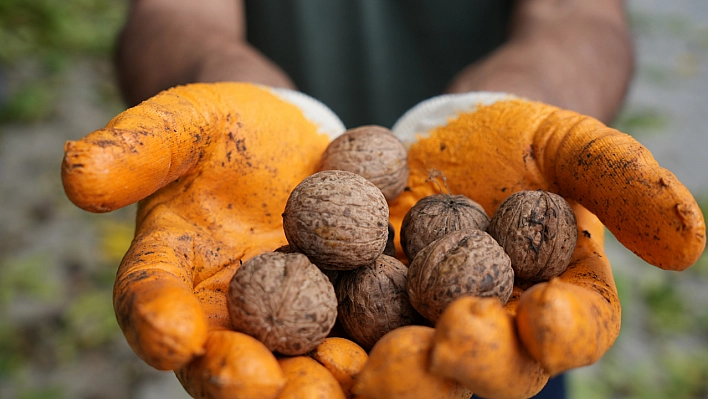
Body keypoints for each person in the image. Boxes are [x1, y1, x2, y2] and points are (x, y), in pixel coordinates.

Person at [113, 1, 635, 398]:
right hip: (276, 153)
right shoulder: (329, 229)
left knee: (519, 347)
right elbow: (170, 11)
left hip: (506, 330)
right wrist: (218, 78)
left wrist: (524, 101)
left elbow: (580, 12)